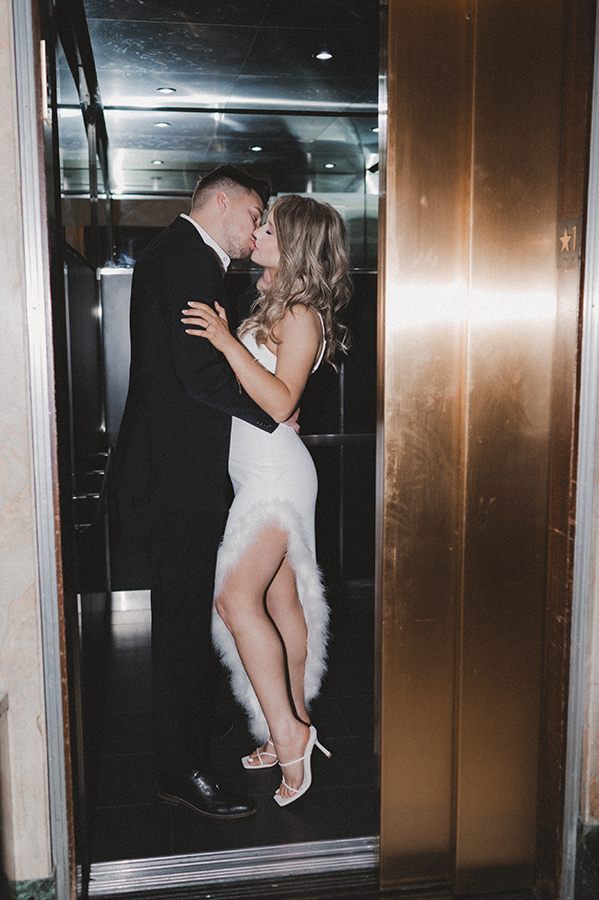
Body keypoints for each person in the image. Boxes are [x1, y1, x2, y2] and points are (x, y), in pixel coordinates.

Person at [111, 165, 278, 819]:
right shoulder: (191, 261)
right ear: (225, 201)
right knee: (181, 624)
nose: (257, 228)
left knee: (187, 616)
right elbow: (197, 378)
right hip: (178, 478)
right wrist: (275, 414)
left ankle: (190, 731)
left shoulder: (175, 255)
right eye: (255, 213)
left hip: (169, 470)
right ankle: (180, 771)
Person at [181, 194, 352, 805]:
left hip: (276, 479)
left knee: (233, 598)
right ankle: (292, 717)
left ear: (295, 242)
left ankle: (289, 734)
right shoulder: (276, 304)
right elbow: (275, 398)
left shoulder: (301, 312)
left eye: (270, 227)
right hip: (258, 472)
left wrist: (228, 342)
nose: (258, 232)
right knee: (282, 606)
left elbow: (280, 403)